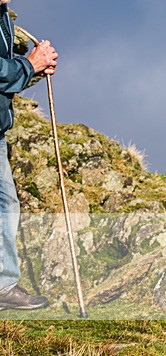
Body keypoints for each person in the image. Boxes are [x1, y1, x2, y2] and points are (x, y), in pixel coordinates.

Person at [0, 1, 57, 311]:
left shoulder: (3, 17)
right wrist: (30, 65)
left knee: (6, 201)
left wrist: (34, 68)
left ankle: (3, 285)